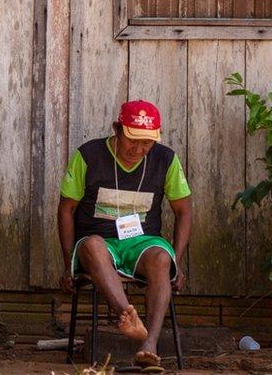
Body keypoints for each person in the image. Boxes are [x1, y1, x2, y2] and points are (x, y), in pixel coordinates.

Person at [58, 100, 192, 369]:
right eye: (132, 140)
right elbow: (66, 210)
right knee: (93, 245)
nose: (139, 149)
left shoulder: (166, 159)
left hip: (141, 242)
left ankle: (149, 344)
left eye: (147, 143)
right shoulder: (88, 155)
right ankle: (128, 316)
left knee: (160, 258)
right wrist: (67, 263)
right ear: (116, 129)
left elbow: (184, 212)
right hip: (99, 243)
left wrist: (176, 261)